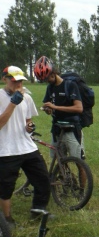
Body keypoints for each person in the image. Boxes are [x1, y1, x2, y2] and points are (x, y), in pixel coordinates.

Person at [0, 66, 50, 227]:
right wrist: (12, 103)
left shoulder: (26, 97)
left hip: (27, 146)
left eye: (20, 81)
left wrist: (30, 126)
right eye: (14, 80)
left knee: (43, 179)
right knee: (6, 187)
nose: (18, 84)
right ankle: (7, 220)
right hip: (6, 150)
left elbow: (28, 120)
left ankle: (38, 210)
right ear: (4, 79)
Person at [33, 56, 85, 160]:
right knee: (59, 160)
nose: (47, 81)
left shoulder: (70, 85)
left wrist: (55, 107)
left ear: (53, 73)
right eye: (44, 79)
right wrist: (48, 110)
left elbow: (79, 108)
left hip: (72, 129)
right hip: (57, 128)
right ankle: (63, 171)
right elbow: (50, 108)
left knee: (78, 161)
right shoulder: (50, 87)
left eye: (47, 78)